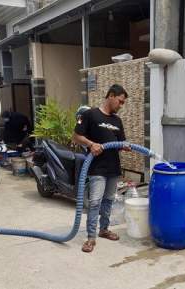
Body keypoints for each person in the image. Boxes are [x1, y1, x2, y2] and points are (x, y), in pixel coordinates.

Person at [72, 84, 130, 253]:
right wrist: (91, 144)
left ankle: (104, 229)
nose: (120, 106)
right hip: (97, 167)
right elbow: (75, 136)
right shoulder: (90, 114)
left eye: (123, 103)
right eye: (120, 102)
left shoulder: (117, 121)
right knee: (95, 202)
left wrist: (124, 147)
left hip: (113, 168)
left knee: (109, 200)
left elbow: (119, 143)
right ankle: (91, 237)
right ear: (111, 96)